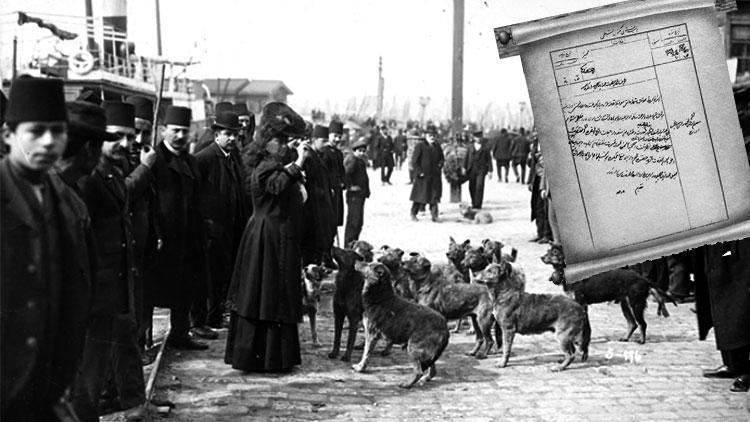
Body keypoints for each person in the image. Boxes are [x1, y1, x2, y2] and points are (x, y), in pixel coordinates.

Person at [1, 76, 92, 421]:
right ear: (8, 135)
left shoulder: (63, 199)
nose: (49, 141)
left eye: (58, 131)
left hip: (45, 387)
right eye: (36, 131)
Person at [72, 101, 150, 422]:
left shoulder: (113, 173)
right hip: (96, 286)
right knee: (89, 371)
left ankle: (128, 404)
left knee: (111, 354)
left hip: (116, 283)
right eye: (116, 137)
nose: (125, 144)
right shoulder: (85, 180)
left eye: (129, 138)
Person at [225, 101, 308, 373]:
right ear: (269, 140)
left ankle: (275, 356)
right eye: (280, 140)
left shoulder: (271, 160)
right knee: (264, 294)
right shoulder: (262, 163)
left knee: (272, 293)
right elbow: (274, 185)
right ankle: (261, 357)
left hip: (276, 234)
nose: (285, 146)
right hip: (266, 236)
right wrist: (297, 165)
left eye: (287, 141)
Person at [145, 105, 208, 350]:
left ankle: (180, 334)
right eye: (175, 131)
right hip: (163, 236)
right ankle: (145, 339)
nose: (180, 136)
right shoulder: (154, 160)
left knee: (185, 287)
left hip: (187, 236)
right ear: (162, 131)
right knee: (153, 291)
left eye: (184, 131)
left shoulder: (191, 162)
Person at [192, 111, 247, 338]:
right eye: (227, 134)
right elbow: (195, 195)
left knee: (224, 272)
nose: (232, 138)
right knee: (210, 275)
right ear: (216, 135)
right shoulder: (204, 158)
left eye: (235, 134)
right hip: (211, 228)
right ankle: (206, 319)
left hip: (229, 225)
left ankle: (217, 314)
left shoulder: (232, 157)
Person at [301, 125, 335, 266]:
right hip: (313, 208)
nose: (327, 144)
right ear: (314, 140)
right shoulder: (307, 157)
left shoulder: (320, 157)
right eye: (323, 140)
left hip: (322, 205)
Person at [409, 128, 444, 222]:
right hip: (422, 176)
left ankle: (434, 216)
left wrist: (440, 164)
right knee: (419, 197)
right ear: (425, 136)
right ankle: (413, 213)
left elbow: (441, 158)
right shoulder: (420, 146)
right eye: (430, 135)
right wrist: (419, 172)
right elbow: (414, 161)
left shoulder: (437, 146)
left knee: (434, 197)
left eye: (434, 135)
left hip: (434, 176)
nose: (432, 137)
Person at [343, 139, 370, 245]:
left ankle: (354, 243)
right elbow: (346, 174)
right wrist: (350, 186)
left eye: (364, 151)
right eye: (360, 151)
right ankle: (348, 245)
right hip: (354, 196)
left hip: (360, 195)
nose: (362, 153)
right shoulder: (352, 160)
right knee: (353, 222)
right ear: (354, 151)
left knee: (358, 222)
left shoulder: (360, 161)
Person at [463, 129, 492, 209]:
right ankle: (473, 202)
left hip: (481, 170)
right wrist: (464, 167)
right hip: (471, 169)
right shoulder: (470, 147)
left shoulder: (485, 148)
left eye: (480, 137)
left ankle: (478, 205)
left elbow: (489, 159)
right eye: (477, 137)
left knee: (479, 186)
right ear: (474, 138)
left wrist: (490, 170)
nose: (479, 139)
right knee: (471, 186)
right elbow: (466, 157)